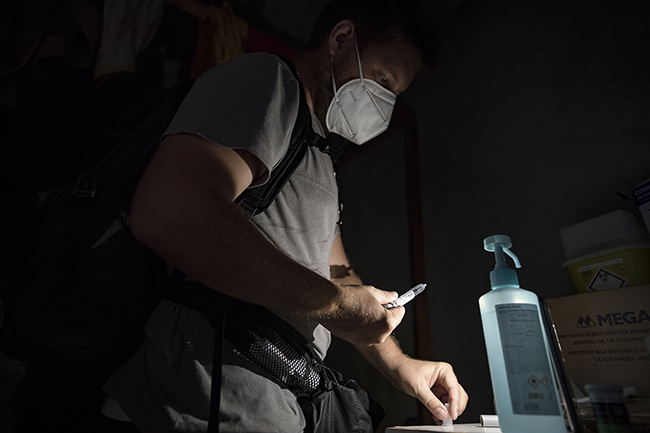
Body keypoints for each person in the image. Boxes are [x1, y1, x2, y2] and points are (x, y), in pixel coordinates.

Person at [100, 0, 469, 431]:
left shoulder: (318, 156)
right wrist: (338, 305)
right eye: (383, 79)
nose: (383, 104)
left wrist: (400, 364)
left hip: (271, 397)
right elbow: (168, 210)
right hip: (200, 394)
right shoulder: (267, 82)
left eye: (394, 94)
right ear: (340, 39)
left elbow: (338, 276)